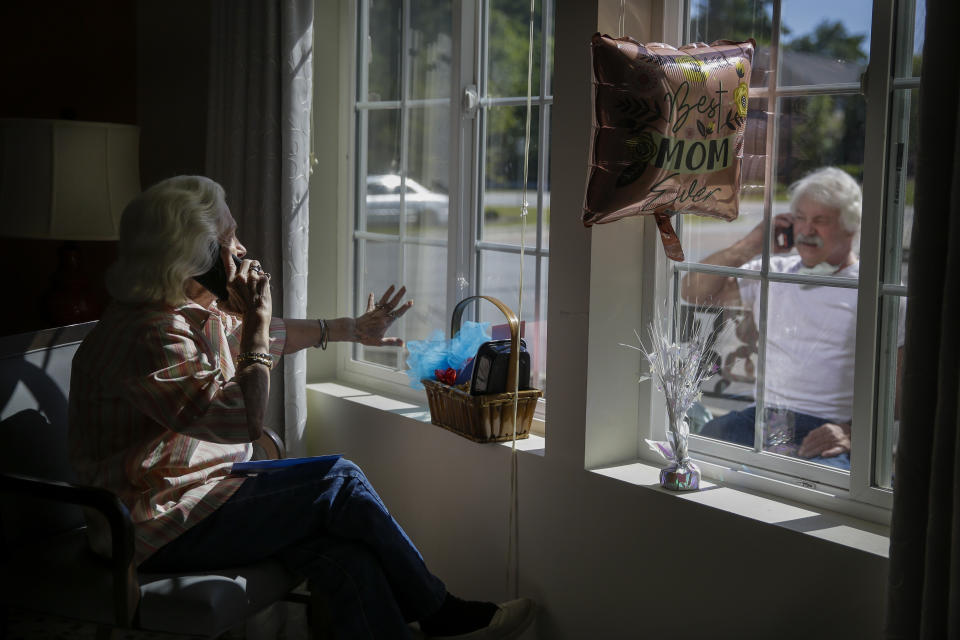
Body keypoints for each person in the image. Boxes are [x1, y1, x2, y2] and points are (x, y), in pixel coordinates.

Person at [68, 175, 534, 639]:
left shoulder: (182, 315)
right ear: (197, 259)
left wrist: (351, 328)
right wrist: (253, 319)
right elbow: (244, 420)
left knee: (344, 556)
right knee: (339, 479)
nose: (243, 250)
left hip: (202, 495)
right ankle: (441, 613)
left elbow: (273, 336)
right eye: (230, 241)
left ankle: (438, 619)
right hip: (152, 524)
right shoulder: (150, 335)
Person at [681, 167, 902, 470]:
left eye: (820, 220)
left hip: (829, 428)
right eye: (800, 217)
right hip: (767, 417)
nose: (806, 230)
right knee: (699, 449)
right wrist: (752, 243)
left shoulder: (873, 290)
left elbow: (899, 390)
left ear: (850, 227)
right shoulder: (773, 271)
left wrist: (852, 432)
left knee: (826, 486)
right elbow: (693, 290)